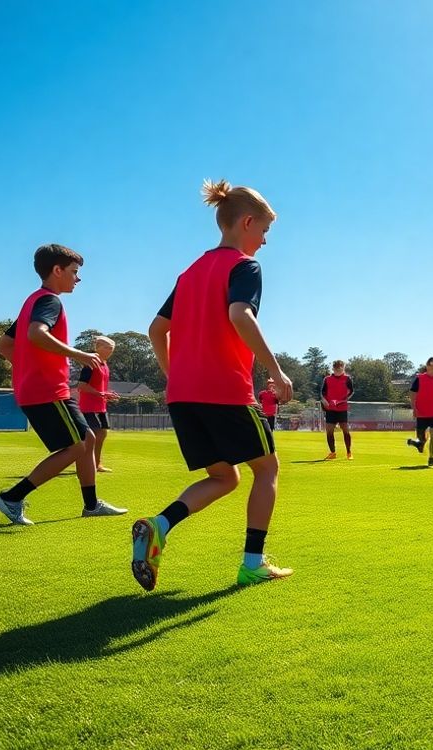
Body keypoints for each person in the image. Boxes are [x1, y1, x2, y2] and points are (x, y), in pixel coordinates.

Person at [132, 179, 294, 591]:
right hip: (225, 391)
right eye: (264, 231)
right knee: (267, 469)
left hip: (184, 397)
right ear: (246, 222)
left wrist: (174, 377)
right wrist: (276, 371)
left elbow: (156, 329)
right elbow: (241, 314)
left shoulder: (189, 273)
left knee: (225, 477)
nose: (264, 241)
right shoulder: (244, 266)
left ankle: (159, 525)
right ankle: (252, 564)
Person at [0, 244, 127, 525]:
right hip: (47, 389)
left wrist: (28, 367)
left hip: (40, 388)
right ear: (57, 270)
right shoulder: (50, 301)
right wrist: (77, 354)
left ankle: (91, 505)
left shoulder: (33, 301)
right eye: (74, 272)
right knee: (78, 445)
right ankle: (12, 497)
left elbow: (4, 345)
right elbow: (36, 334)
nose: (77, 279)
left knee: (87, 440)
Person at [77, 335, 120, 471]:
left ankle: (96, 464)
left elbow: (100, 387)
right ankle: (85, 463)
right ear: (98, 347)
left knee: (102, 434)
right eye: (107, 348)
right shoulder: (91, 363)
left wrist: (107, 394)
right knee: (92, 436)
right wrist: (100, 393)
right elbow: (81, 385)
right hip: (89, 406)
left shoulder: (105, 365)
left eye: (112, 349)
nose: (110, 351)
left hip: (101, 406)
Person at [407, 357, 433, 467]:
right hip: (421, 413)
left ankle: (431, 457)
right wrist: (414, 409)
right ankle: (419, 444)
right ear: (428, 366)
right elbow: (412, 394)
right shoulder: (419, 379)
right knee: (421, 438)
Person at [321, 359, 355, 459]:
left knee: (345, 430)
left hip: (342, 408)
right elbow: (322, 393)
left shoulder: (347, 378)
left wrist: (344, 400)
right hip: (330, 409)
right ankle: (332, 452)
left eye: (341, 369)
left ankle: (349, 452)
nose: (339, 371)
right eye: (337, 369)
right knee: (329, 431)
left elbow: (351, 391)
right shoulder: (327, 379)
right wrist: (325, 401)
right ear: (333, 369)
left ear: (343, 368)